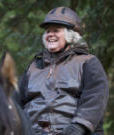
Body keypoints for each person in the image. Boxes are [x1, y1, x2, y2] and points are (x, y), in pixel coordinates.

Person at [18, 7, 109, 135]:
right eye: (48, 31)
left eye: (56, 30)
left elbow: (95, 100)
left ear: (71, 35)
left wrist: (76, 128)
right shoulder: (33, 67)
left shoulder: (88, 62)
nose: (50, 34)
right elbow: (17, 102)